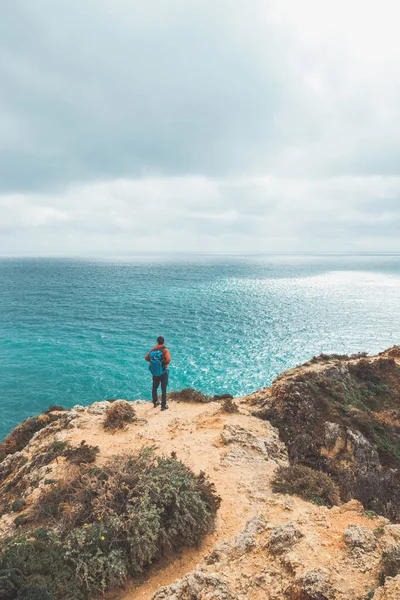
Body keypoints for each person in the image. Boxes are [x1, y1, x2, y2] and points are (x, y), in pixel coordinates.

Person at [144, 336, 171, 410]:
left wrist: (154, 363)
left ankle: (155, 402)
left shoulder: (153, 350)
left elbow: (146, 358)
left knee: (154, 387)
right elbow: (168, 359)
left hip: (155, 372)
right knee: (163, 389)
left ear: (157, 341)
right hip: (163, 371)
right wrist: (162, 364)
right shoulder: (165, 350)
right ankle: (163, 406)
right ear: (163, 342)